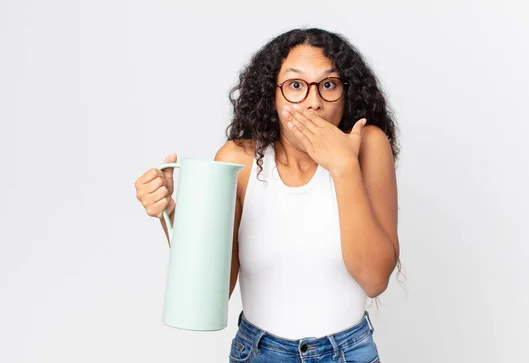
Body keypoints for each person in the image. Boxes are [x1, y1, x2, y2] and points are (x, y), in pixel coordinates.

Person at [135, 27, 402, 363]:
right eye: (295, 86)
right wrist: (172, 215)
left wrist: (343, 166)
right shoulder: (238, 159)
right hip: (259, 353)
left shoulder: (368, 145)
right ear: (271, 96)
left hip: (348, 353)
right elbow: (215, 290)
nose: (314, 101)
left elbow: (375, 279)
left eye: (329, 85)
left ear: (346, 94)